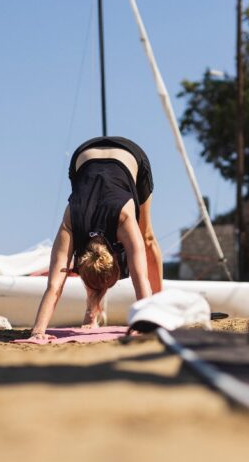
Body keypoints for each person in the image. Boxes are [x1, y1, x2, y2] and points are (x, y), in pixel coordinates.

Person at [28, 137, 163, 343]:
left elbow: (140, 279)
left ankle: (162, 307)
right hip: (83, 157)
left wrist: (149, 322)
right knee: (96, 267)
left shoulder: (122, 219)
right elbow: (55, 286)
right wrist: (37, 332)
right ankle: (92, 313)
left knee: (147, 237)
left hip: (130, 154)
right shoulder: (71, 219)